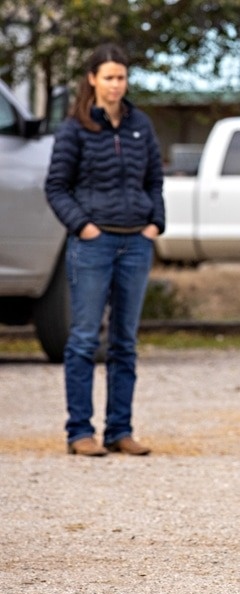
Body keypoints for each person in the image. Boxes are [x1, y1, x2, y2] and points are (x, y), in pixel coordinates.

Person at [44, 43, 165, 457]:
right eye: (110, 77)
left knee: (125, 342)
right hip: (94, 244)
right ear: (93, 79)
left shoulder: (140, 125)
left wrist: (155, 223)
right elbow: (56, 187)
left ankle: (120, 430)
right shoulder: (75, 129)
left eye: (122, 77)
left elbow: (155, 180)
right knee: (82, 339)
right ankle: (80, 431)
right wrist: (84, 227)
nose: (117, 85)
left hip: (136, 242)